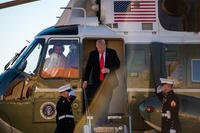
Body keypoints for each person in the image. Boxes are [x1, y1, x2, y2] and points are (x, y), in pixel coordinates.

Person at [82, 39, 120, 109]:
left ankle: (104, 118)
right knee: (97, 101)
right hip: (96, 83)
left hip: (109, 83)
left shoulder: (112, 52)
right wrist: (85, 80)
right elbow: (88, 68)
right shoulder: (93, 54)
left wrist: (108, 69)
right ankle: (100, 118)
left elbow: (117, 64)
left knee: (106, 101)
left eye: (101, 48)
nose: (100, 50)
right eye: (98, 48)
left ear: (105, 46)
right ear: (96, 47)